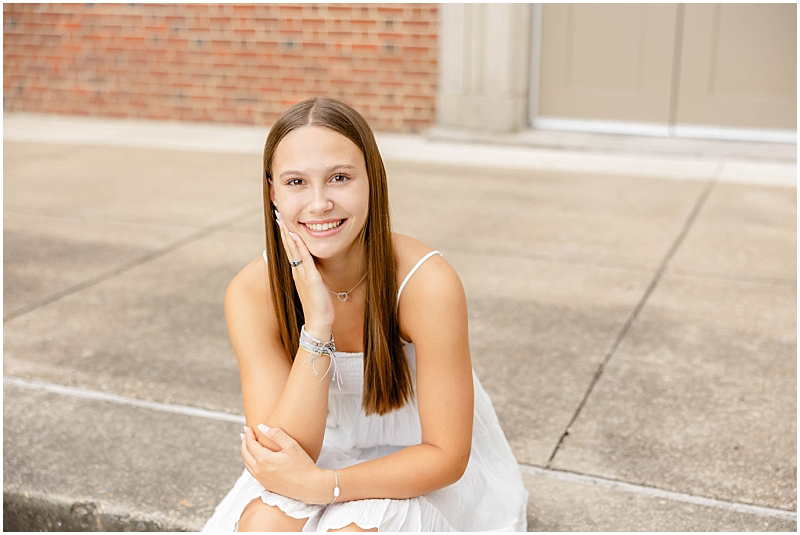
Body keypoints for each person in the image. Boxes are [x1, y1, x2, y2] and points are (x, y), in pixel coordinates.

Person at [202, 97, 528, 532]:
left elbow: (445, 455)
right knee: (264, 526)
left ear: (373, 179)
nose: (319, 204)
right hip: (315, 459)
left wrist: (327, 487)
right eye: (296, 181)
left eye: (339, 178)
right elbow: (282, 454)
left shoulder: (426, 283)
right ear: (272, 192)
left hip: (420, 467)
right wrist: (317, 326)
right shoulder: (250, 292)